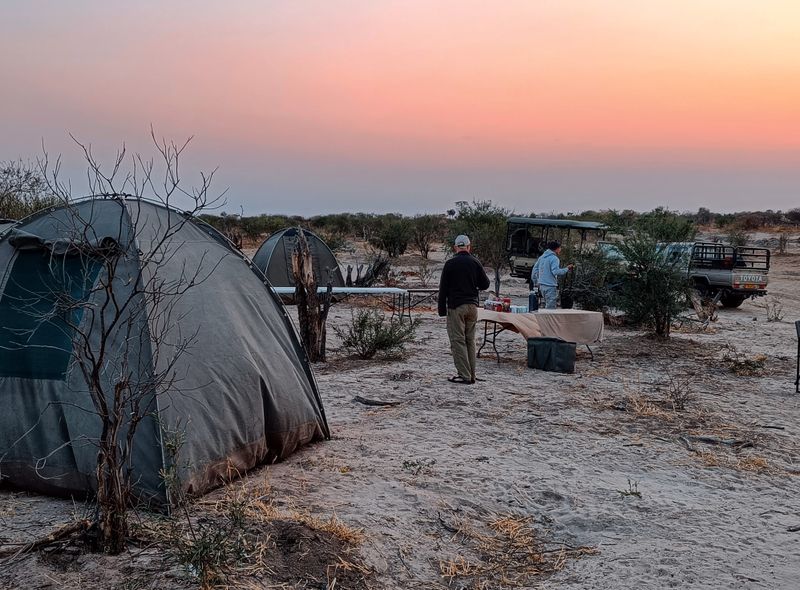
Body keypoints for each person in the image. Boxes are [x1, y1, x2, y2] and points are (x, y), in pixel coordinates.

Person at [438, 234, 490, 384]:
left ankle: (464, 375)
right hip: (472, 306)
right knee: (470, 340)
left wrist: (442, 310)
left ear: (455, 247)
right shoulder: (475, 262)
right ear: (468, 247)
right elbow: (485, 284)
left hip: (456, 307)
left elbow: (443, 289)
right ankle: (471, 374)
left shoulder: (450, 264)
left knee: (457, 340)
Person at [530, 241, 574, 309]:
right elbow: (556, 272)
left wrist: (536, 282)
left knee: (546, 305)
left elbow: (534, 270)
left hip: (542, 286)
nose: (560, 249)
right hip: (550, 286)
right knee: (550, 308)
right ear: (556, 249)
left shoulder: (542, 257)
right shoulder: (554, 258)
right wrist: (567, 269)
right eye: (560, 248)